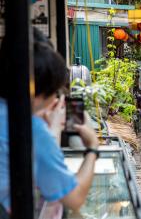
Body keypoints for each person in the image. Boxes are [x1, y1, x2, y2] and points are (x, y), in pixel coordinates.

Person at [0, 29, 99, 214]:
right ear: (36, 95)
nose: (56, 98)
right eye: (54, 91)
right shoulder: (32, 129)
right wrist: (93, 147)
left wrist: (51, 130)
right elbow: (74, 198)